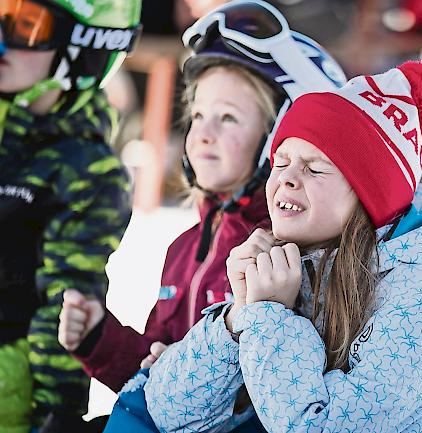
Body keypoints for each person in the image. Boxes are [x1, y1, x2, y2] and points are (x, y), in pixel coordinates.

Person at [109, 60, 422, 432]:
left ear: (368, 197)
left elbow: (315, 426)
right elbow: (165, 412)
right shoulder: (301, 264)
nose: (288, 179)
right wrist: (235, 321)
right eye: (281, 163)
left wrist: (269, 316)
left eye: (314, 168)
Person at [57, 0, 346, 396]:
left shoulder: (291, 259)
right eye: (197, 116)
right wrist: (98, 340)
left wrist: (195, 370)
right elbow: (155, 381)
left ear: (283, 138)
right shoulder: (183, 248)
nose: (203, 133)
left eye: (227, 118)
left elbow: (285, 397)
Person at [0, 0, 140, 432]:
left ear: (84, 46)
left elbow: (67, 301)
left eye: (26, 24)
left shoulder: (87, 170)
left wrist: (56, 414)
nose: (3, 38)